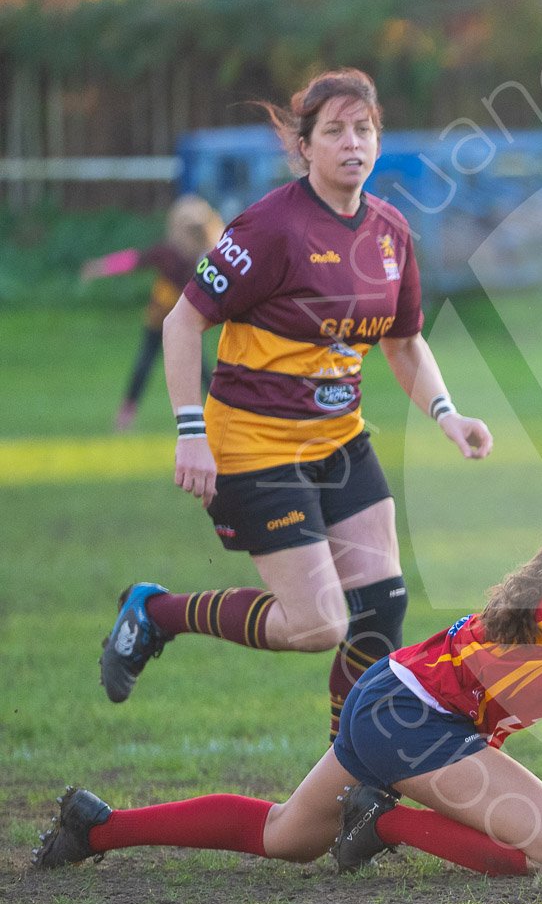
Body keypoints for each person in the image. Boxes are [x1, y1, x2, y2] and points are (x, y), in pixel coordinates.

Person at [37, 470, 542, 876]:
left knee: (283, 839)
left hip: (405, 706)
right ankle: (381, 818)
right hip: (408, 712)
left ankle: (98, 828)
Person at [99, 68, 493, 743]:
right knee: (318, 626)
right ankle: (157, 612)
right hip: (253, 448)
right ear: (303, 146)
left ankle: (352, 775)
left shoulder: (392, 233)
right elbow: (182, 323)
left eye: (364, 129)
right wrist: (190, 432)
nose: (352, 143)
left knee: (381, 609)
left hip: (340, 441)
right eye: (334, 130)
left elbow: (404, 344)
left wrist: (447, 415)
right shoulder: (270, 228)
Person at [81, 194, 223, 431]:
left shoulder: (204, 259)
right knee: (144, 365)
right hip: (157, 322)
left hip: (186, 326)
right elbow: (133, 261)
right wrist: (100, 267)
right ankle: (126, 413)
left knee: (200, 368)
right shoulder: (165, 253)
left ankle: (219, 409)